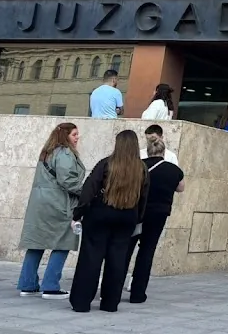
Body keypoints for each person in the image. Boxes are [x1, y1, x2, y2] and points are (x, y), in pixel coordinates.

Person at [69, 130, 149, 313]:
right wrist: (138, 218)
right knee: (117, 260)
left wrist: (78, 214)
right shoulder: (142, 169)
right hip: (127, 217)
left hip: (100, 214)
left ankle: (81, 302)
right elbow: (144, 197)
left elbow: (89, 189)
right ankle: (110, 303)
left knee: (90, 258)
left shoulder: (106, 164)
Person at [17, 123, 86, 299]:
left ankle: (27, 285)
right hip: (58, 204)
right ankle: (50, 286)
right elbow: (68, 180)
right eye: (74, 134)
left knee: (36, 244)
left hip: (40, 205)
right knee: (63, 243)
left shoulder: (47, 152)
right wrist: (87, 192)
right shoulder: (64, 153)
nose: (77, 137)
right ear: (65, 136)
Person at [124, 131, 185, 304]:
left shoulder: (138, 166)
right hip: (159, 214)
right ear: (163, 152)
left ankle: (114, 287)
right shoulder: (174, 170)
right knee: (147, 251)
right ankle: (138, 293)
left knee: (126, 249)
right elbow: (181, 188)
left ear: (148, 151)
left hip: (137, 213)